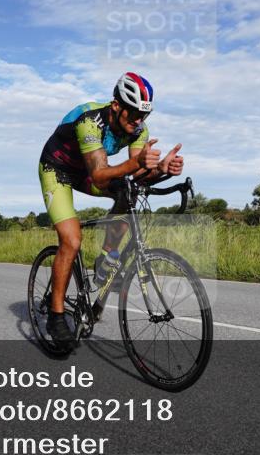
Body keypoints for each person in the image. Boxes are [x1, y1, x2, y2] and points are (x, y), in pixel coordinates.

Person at [38, 72, 184, 348]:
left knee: (128, 192)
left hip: (87, 172)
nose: (139, 121)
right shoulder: (89, 121)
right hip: (57, 170)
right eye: (134, 114)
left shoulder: (138, 130)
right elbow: (100, 176)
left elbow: (137, 173)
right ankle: (56, 316)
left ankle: (105, 259)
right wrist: (138, 164)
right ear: (116, 106)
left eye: (144, 115)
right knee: (72, 240)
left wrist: (161, 169)